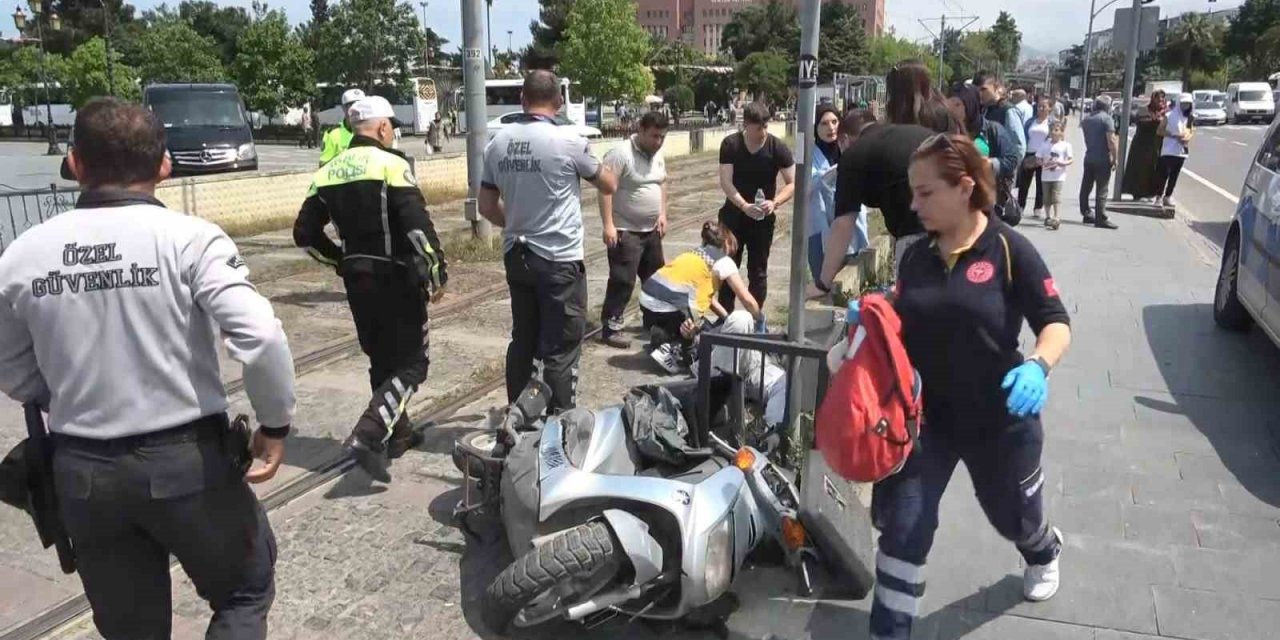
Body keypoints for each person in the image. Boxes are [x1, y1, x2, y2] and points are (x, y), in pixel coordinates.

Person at [0, 98, 295, 639]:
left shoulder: (22, 255)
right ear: (165, 165)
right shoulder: (191, 240)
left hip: (84, 474)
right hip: (190, 466)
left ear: (75, 164)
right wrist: (274, 426)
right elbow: (260, 336)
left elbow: (10, 364)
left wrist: (59, 393)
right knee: (243, 591)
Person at [870, 132, 1071, 640]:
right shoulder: (915, 256)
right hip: (927, 421)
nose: (914, 205)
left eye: (925, 193)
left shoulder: (1009, 249)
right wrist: (875, 313)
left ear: (964, 188)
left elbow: (1055, 321)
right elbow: (905, 311)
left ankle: (1042, 549)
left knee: (1013, 517)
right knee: (904, 527)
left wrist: (1039, 365)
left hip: (999, 421)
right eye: (912, 193)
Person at [294, 96, 447, 482]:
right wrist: (436, 272)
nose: (392, 132)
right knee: (412, 364)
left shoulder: (328, 171)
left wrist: (339, 261)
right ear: (381, 127)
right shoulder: (391, 164)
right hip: (398, 279)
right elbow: (417, 228)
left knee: (381, 359)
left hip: (358, 281)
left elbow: (304, 234)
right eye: (391, 126)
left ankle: (399, 433)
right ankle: (369, 434)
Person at [478, 70, 617, 412]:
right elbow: (609, 184)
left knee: (523, 340)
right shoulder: (568, 140)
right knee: (561, 346)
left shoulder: (497, 143)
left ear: (522, 99)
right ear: (558, 102)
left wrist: (516, 222)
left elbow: (486, 206)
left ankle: (518, 416)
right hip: (558, 260)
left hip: (517, 255)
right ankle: (560, 421)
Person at [813, 65, 961, 297]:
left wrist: (822, 283)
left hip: (920, 238)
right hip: (966, 226)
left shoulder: (854, 155)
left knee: (918, 311)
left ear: (844, 140)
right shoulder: (911, 134)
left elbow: (843, 225)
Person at [639, 221, 759, 373]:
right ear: (727, 243)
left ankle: (663, 335)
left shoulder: (695, 254)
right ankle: (672, 349)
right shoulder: (723, 261)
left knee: (705, 324)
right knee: (706, 337)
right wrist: (760, 319)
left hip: (648, 300)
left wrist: (726, 318)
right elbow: (746, 299)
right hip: (668, 307)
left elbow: (709, 300)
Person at [599, 111, 670, 349]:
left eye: (662, 137)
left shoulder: (657, 155)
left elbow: (662, 183)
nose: (658, 142)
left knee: (656, 279)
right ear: (640, 130)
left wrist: (662, 213)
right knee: (623, 280)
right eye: (654, 136)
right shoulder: (620, 154)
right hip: (625, 229)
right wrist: (608, 225)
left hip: (651, 230)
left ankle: (653, 320)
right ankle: (611, 327)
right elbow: (605, 189)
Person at [716, 102, 796, 312]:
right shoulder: (731, 145)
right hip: (733, 217)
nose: (763, 132)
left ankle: (755, 318)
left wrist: (775, 202)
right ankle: (725, 318)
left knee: (758, 272)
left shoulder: (777, 148)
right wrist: (744, 205)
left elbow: (792, 183)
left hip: (762, 220)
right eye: (759, 127)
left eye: (766, 126)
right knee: (727, 267)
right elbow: (726, 182)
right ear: (746, 125)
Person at [805, 104, 865, 283]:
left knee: (851, 282)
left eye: (834, 122)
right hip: (820, 226)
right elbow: (805, 186)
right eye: (824, 123)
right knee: (823, 280)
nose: (830, 128)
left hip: (851, 223)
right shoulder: (808, 155)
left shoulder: (850, 149)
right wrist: (835, 171)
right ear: (815, 127)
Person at [1080, 95, 1120, 229]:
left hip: (1089, 156)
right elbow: (1111, 141)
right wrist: (1115, 158)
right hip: (1102, 158)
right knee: (1102, 189)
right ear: (1108, 106)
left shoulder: (1087, 119)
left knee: (1086, 187)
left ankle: (1086, 213)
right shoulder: (1107, 119)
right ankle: (1100, 217)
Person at [1122, 90, 1168, 202]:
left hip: (1156, 145)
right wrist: (1156, 119)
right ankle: (1138, 193)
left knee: (1154, 170)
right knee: (1140, 169)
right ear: (1153, 98)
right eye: (1158, 98)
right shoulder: (1144, 110)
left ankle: (1151, 194)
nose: (1160, 100)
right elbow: (1141, 121)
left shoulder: (1165, 112)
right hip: (1142, 145)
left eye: (1162, 98)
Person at [974, 72, 1027, 165]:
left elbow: (1018, 148)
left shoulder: (1008, 111)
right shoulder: (983, 110)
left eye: (983, 89)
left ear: (996, 87)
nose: (980, 94)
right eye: (976, 90)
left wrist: (1008, 168)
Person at [1156, 94, 1194, 209]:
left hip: (1181, 151)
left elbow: (1190, 131)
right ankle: (1158, 197)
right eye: (1183, 104)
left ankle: (1168, 196)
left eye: (1188, 104)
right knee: (1164, 174)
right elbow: (1159, 131)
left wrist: (1187, 138)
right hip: (1168, 150)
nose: (1185, 106)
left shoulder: (1189, 118)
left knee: (1174, 176)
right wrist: (1174, 135)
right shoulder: (1169, 116)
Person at [1019, 98, 1056, 217]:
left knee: (1041, 183)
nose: (1041, 109)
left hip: (1044, 156)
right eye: (1039, 106)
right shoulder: (1031, 121)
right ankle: (1020, 206)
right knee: (1024, 183)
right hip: (1030, 153)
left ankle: (1038, 207)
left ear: (1049, 108)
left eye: (1044, 106)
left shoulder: (1052, 122)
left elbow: (1056, 138)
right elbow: (1023, 135)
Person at [1036, 121, 1072, 230]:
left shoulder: (1066, 145)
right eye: (1051, 130)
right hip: (1046, 176)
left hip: (1058, 176)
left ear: (1061, 132)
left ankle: (1056, 216)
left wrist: (1062, 163)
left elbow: (1070, 159)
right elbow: (1038, 158)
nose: (1053, 132)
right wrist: (1042, 163)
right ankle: (1048, 216)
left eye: (1056, 130)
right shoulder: (1045, 144)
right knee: (1046, 197)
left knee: (1056, 195)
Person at [319, 88, 366, 166]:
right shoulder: (333, 133)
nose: (357, 110)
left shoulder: (373, 130)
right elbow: (323, 165)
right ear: (343, 108)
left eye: (360, 106)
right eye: (352, 105)